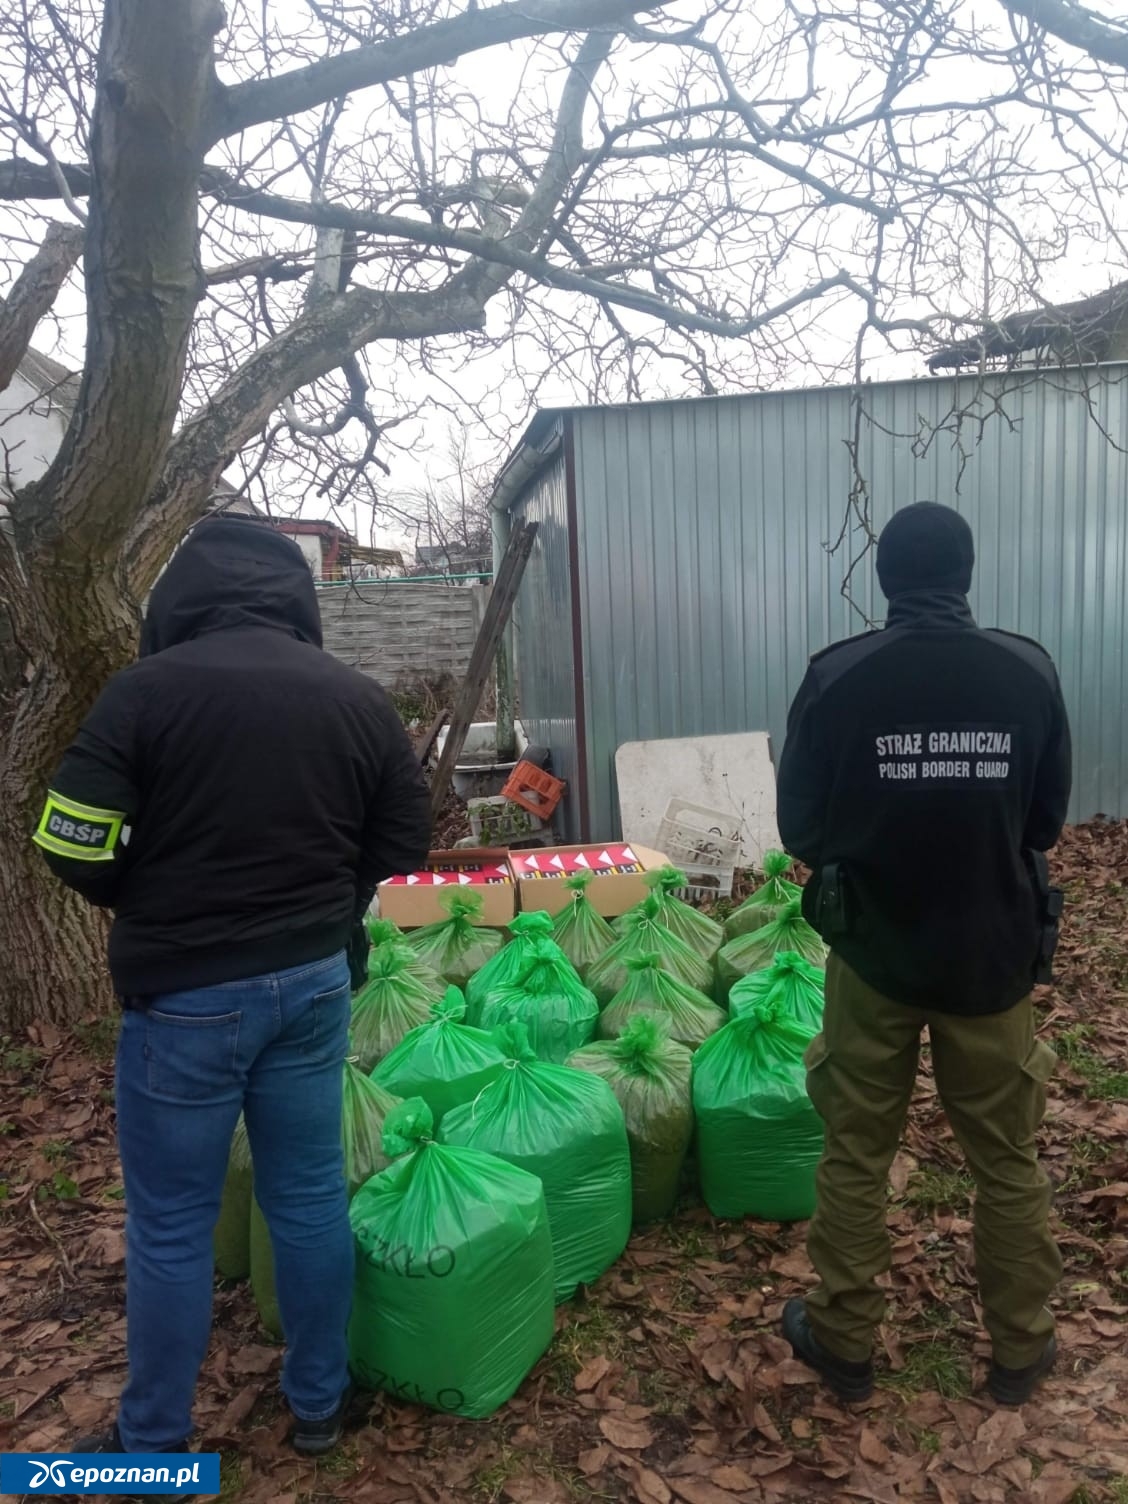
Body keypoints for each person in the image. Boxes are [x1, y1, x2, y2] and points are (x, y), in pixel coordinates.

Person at [34, 515, 431, 1460]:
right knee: (306, 1197)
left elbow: (69, 838)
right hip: (313, 986)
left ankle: (154, 1448)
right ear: (295, 598)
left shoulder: (143, 694)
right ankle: (320, 1408)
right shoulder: (354, 697)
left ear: (180, 601)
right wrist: (331, 904)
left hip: (186, 1002)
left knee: (172, 1226)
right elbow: (404, 842)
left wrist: (147, 900)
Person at [776, 501, 1071, 1408]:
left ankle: (844, 1339)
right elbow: (1045, 822)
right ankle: (1021, 1350)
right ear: (967, 576)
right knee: (1007, 1159)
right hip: (993, 958)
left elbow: (803, 828)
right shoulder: (1027, 672)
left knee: (858, 1152)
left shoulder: (839, 677)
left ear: (886, 580)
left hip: (874, 957)